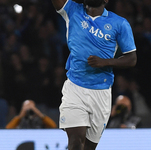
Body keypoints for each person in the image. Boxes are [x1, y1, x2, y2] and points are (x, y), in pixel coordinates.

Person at [51, 0, 137, 150]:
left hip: (101, 93)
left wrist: (105, 62)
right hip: (75, 87)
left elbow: (131, 58)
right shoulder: (72, 10)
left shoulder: (119, 23)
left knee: (89, 148)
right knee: (76, 142)